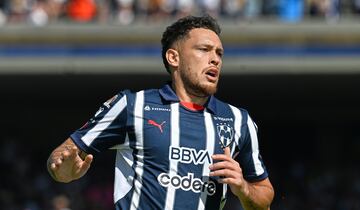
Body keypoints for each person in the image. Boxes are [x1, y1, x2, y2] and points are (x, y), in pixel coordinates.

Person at [47, 15, 274, 210]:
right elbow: (61, 156)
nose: (215, 58)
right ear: (173, 57)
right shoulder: (132, 105)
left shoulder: (238, 120)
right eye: (204, 50)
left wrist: (243, 188)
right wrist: (64, 171)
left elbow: (264, 199)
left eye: (219, 53)